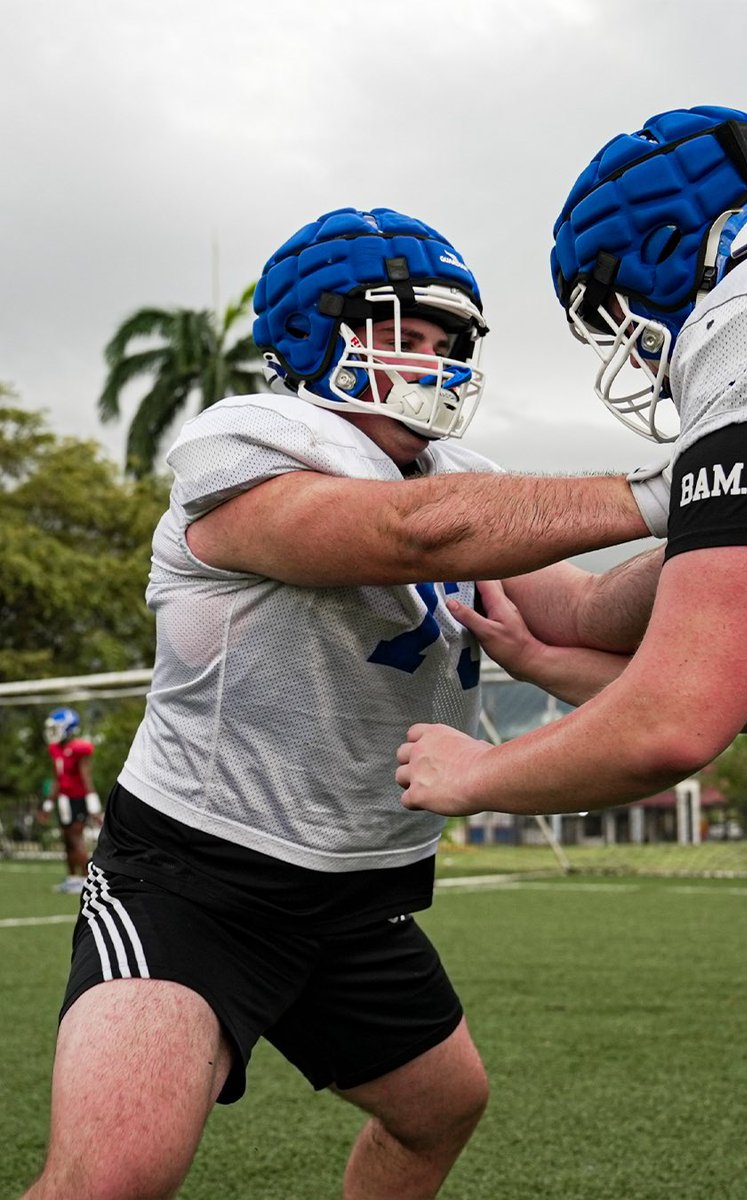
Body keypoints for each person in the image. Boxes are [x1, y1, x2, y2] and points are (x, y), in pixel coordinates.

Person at [23, 205, 669, 1200]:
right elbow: (414, 536)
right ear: (312, 331)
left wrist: (735, 515)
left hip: (359, 892)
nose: (433, 361)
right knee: (114, 1175)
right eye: (401, 334)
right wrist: (671, 488)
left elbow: (588, 610)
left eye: (446, 342)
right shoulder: (254, 440)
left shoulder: (462, 480)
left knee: (439, 1111)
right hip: (200, 878)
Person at [395, 107, 747, 1199]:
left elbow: (679, 722)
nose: (625, 342)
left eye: (610, 309)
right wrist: (526, 627)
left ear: (651, 257)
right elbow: (668, 644)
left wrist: (479, 775)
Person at [40, 706, 102, 894]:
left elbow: (86, 778)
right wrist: (48, 804)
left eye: (56, 728)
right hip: (63, 800)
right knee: (67, 839)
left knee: (76, 838)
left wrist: (94, 806)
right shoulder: (56, 749)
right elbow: (57, 779)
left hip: (77, 799)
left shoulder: (78, 749)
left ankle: (85, 878)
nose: (53, 732)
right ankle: (72, 877)